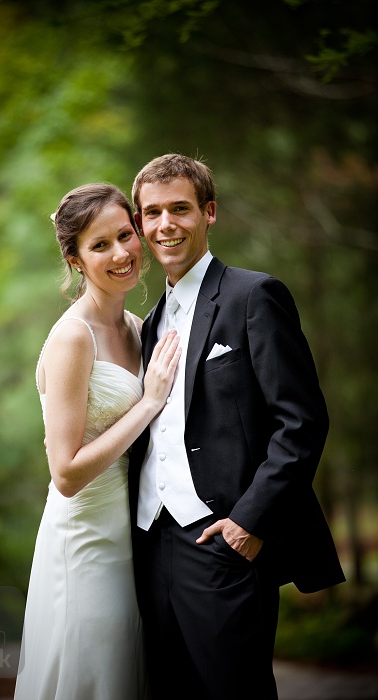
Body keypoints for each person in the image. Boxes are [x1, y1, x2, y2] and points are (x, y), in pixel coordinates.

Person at [127, 154, 346, 700]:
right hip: (151, 541)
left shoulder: (254, 295)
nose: (165, 225)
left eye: (180, 209)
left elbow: (301, 423)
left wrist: (249, 522)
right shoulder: (151, 321)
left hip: (223, 540)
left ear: (209, 212)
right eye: (151, 213)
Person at [14, 183, 180, 700]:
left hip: (132, 536)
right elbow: (64, 474)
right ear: (76, 260)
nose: (122, 253)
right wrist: (148, 403)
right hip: (84, 538)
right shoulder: (72, 337)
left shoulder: (136, 327)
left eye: (125, 236)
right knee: (92, 674)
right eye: (99, 245)